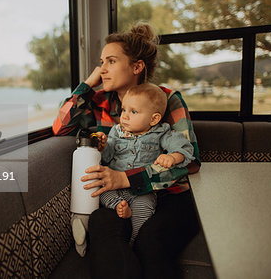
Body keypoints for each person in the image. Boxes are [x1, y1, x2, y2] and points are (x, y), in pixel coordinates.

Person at [53, 22, 201, 279]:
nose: (103, 69)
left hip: (170, 198)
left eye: (111, 61)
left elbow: (190, 162)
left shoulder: (166, 98)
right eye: (101, 63)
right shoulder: (98, 102)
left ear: (137, 66)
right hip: (117, 197)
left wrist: (126, 177)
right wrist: (89, 84)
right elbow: (61, 127)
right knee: (103, 229)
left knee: (150, 241)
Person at [72, 83, 195, 257]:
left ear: (154, 119)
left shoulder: (162, 132)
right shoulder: (117, 131)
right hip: (115, 189)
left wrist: (173, 157)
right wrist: (103, 145)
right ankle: (118, 206)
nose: (125, 117)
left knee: (144, 209)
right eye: (123, 110)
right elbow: (107, 156)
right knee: (101, 192)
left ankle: (134, 241)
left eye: (133, 112)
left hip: (143, 190)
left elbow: (186, 149)